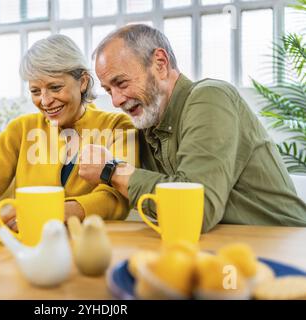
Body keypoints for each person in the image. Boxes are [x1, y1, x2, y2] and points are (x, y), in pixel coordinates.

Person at [78, 24, 306, 232]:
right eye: (109, 90)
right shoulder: (146, 124)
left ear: (160, 63)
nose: (116, 101)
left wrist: (112, 171)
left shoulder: (210, 97)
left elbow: (196, 211)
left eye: (122, 83)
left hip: (285, 248)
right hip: (221, 248)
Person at [0, 34, 138, 231]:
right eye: (35, 91)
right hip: (29, 244)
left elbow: (116, 198)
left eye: (55, 87)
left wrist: (53, 212)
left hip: (90, 245)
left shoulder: (117, 126)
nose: (45, 101)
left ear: (83, 82)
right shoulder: (20, 129)